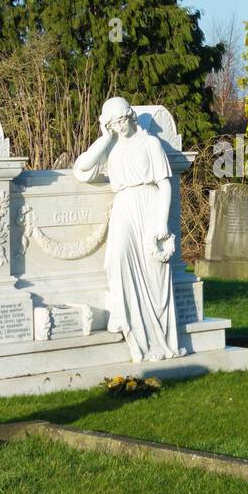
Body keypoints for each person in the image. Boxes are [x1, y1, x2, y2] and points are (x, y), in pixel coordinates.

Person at [73, 97, 184, 362]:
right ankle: (123, 315)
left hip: (149, 205)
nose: (120, 127)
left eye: (122, 120)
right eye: (114, 123)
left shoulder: (150, 143)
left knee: (153, 273)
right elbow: (83, 166)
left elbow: (165, 185)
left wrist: (161, 222)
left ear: (131, 116)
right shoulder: (111, 149)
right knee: (117, 258)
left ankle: (158, 338)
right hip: (124, 206)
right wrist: (104, 137)